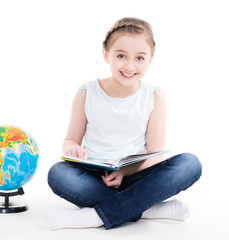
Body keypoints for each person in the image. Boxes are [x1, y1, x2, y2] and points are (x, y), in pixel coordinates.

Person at [47, 17, 202, 230]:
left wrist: (124, 173)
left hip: (137, 176)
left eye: (140, 58)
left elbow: (155, 155)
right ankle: (146, 209)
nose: (130, 66)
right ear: (106, 55)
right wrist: (72, 148)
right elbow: (71, 140)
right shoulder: (87, 92)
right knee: (58, 174)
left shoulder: (154, 96)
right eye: (121, 56)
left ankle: (96, 216)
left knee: (190, 164)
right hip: (94, 178)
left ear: (150, 59)